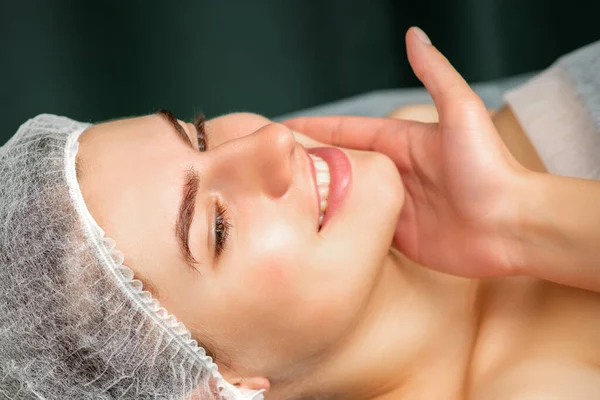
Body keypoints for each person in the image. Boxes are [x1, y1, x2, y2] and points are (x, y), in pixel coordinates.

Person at [1, 28, 599, 400]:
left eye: (201, 136)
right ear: (218, 388)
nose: (273, 146)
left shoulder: (485, 132)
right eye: (217, 228)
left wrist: (516, 212)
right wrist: (523, 224)